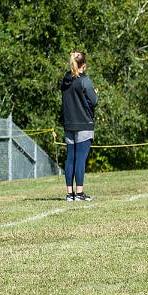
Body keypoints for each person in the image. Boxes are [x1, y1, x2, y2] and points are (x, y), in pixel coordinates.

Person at [60, 51, 98, 201]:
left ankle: (70, 194)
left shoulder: (65, 79)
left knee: (70, 158)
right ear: (84, 66)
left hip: (69, 123)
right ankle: (80, 193)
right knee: (80, 159)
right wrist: (95, 93)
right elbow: (94, 101)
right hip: (83, 123)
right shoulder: (85, 80)